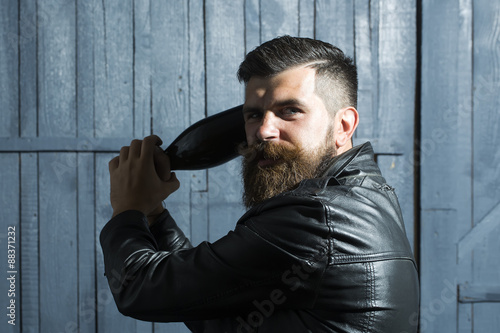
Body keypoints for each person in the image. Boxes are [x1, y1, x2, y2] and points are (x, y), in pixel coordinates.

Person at [100, 35, 419, 332]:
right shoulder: (367, 194)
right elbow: (212, 312)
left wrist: (128, 209)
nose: (264, 131)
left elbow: (139, 288)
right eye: (253, 115)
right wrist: (153, 215)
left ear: (343, 125)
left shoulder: (314, 218)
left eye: (290, 110)